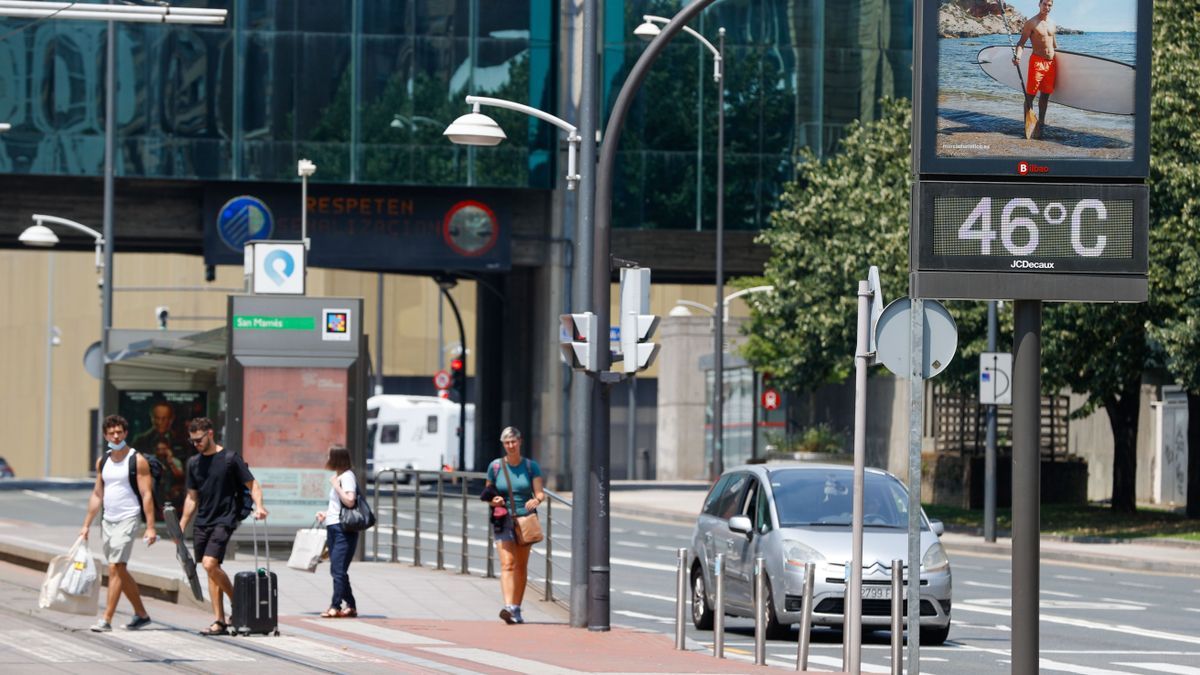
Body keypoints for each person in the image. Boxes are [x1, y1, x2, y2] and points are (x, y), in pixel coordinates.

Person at [178, 417, 268, 636]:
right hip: (203, 521)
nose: (196, 444)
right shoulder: (194, 463)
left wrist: (260, 506)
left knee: (210, 564)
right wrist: (180, 525)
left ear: (210, 433)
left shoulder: (230, 458)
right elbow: (192, 497)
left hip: (225, 519)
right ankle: (219, 620)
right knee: (212, 571)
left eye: (199, 439)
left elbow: (253, 484)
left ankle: (237, 602)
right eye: (192, 441)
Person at [78, 415, 157, 632]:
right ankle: (141, 614)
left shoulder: (136, 459)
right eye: (111, 433)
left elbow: (146, 493)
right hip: (108, 520)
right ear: (105, 435)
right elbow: (97, 494)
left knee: (116, 566)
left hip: (129, 517)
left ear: (125, 433)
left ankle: (106, 619)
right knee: (117, 569)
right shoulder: (102, 461)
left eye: (119, 432)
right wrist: (86, 525)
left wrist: (150, 526)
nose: (116, 436)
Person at [482, 426, 545, 625]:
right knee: (507, 563)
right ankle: (509, 606)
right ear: (503, 445)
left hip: (525, 519)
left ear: (520, 442)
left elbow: (540, 492)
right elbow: (488, 493)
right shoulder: (495, 467)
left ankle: (517, 607)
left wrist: (537, 500)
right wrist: (494, 500)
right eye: (507, 443)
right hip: (502, 518)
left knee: (521, 565)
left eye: (513, 442)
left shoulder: (530, 466)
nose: (510, 446)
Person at [315, 445, 359, 619]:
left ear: (336, 458)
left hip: (343, 530)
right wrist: (325, 514)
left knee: (338, 569)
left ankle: (335, 606)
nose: (327, 458)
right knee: (337, 569)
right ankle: (351, 606)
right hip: (333, 526)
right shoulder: (340, 476)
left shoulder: (347, 477)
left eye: (329, 455)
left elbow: (350, 500)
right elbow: (338, 506)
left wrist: (336, 486)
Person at [1013, 0, 1058, 140]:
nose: (1047, 7)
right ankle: (1028, 124)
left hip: (1051, 63)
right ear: (1039, 5)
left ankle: (1042, 123)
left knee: (1045, 95)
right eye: (1044, 4)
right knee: (1030, 96)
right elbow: (1020, 44)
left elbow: (1054, 45)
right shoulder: (1031, 23)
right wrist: (1018, 56)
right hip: (1037, 62)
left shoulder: (1053, 23)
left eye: (1050, 5)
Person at [155, 439, 185, 512]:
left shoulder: (175, 461)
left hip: (172, 490)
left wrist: (170, 463)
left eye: (163, 449)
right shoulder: (153, 461)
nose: (161, 452)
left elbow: (180, 476)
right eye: (159, 449)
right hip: (159, 490)